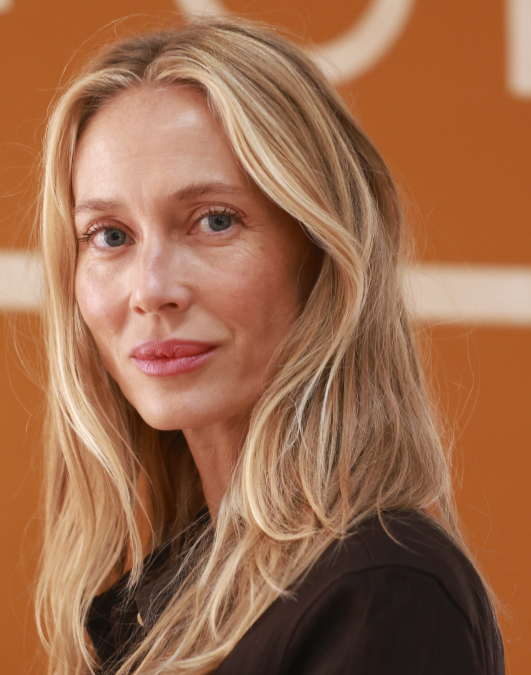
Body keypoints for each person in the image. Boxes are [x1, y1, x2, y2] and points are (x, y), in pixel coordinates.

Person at [33, 16, 504, 675]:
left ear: (321, 252)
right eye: (110, 235)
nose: (151, 289)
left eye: (214, 221)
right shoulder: (154, 602)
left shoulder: (384, 589)